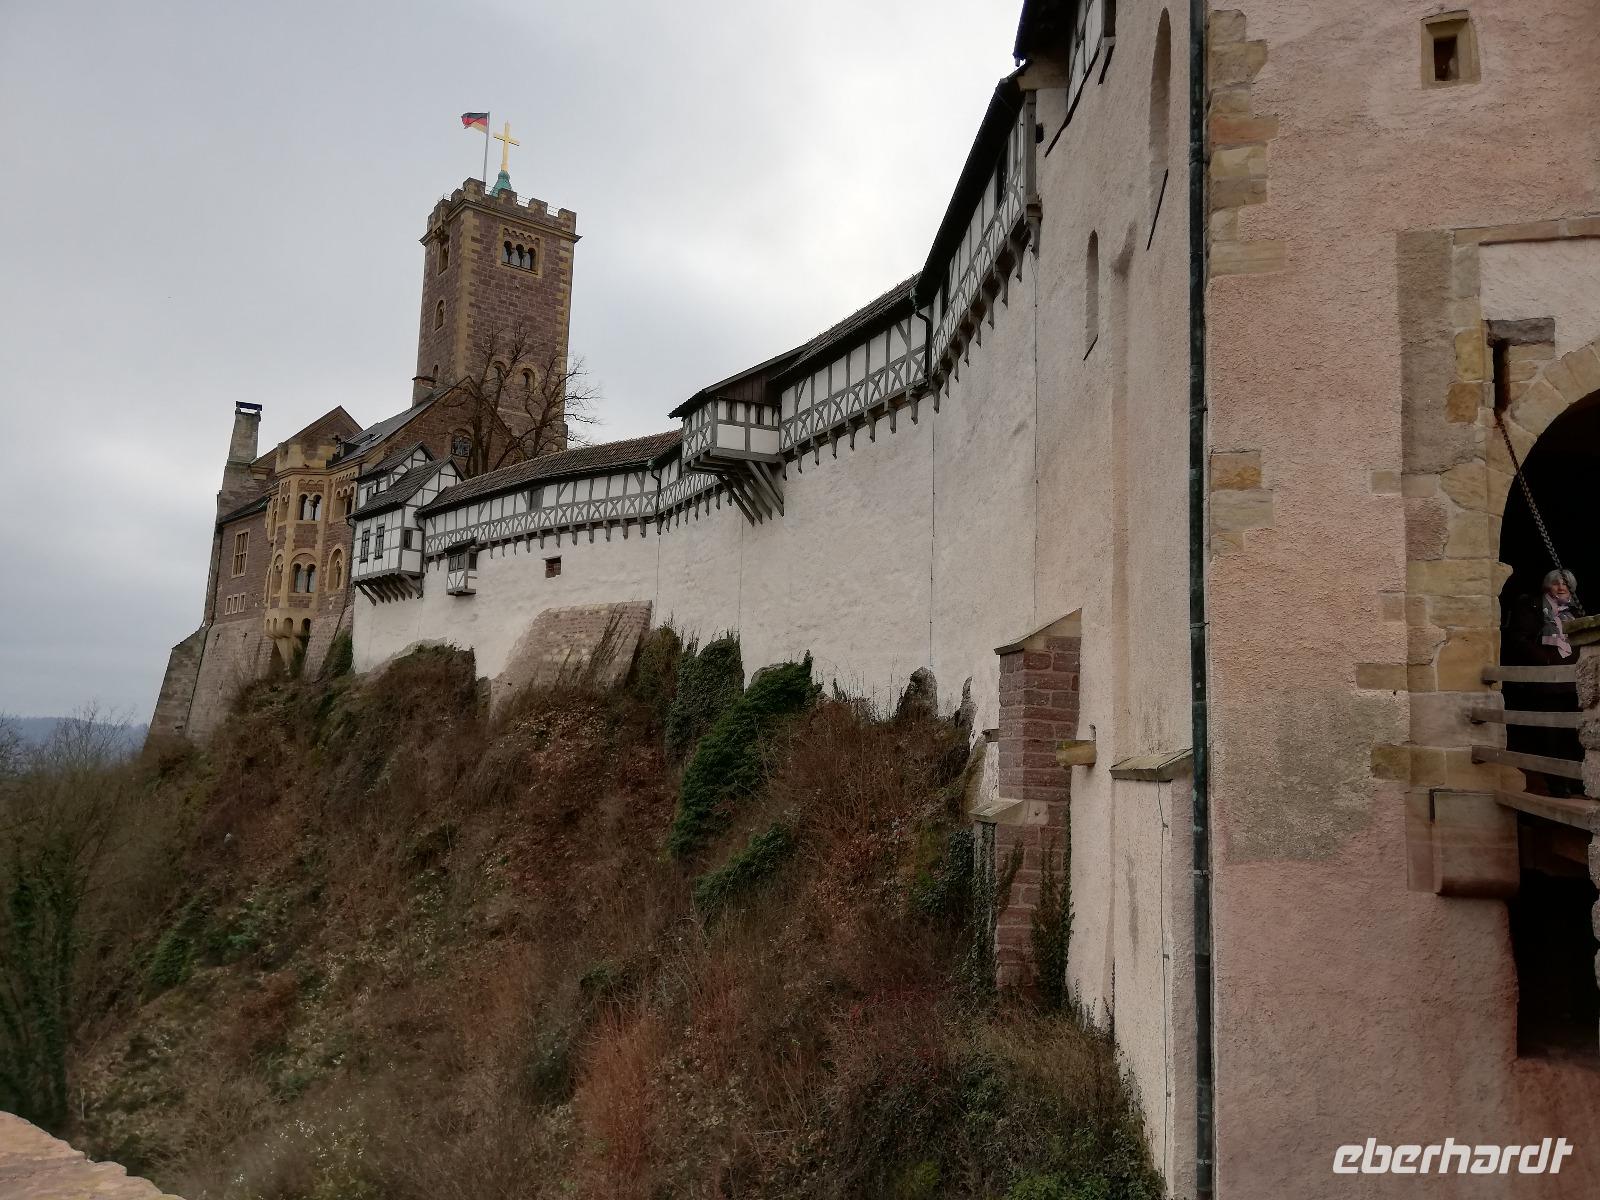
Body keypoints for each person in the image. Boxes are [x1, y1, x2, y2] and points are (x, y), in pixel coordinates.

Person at [1501, 569, 1582, 795]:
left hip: (1573, 681)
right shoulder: (1533, 606)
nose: (1561, 587)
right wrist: (1545, 660)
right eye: (1556, 583)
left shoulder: (1575, 611)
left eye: (1566, 584)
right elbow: (1520, 639)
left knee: (1575, 734)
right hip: (1546, 682)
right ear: (1548, 586)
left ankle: (1578, 781)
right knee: (1550, 734)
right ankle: (1557, 784)